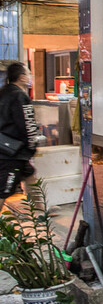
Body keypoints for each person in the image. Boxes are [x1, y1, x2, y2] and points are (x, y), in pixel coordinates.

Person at [0, 62, 41, 211]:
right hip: (12, 153)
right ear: (22, 77)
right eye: (28, 74)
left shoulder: (3, 92)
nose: (30, 77)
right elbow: (27, 125)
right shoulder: (20, 96)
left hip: (6, 148)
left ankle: (40, 212)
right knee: (4, 190)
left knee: (30, 176)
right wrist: (32, 146)